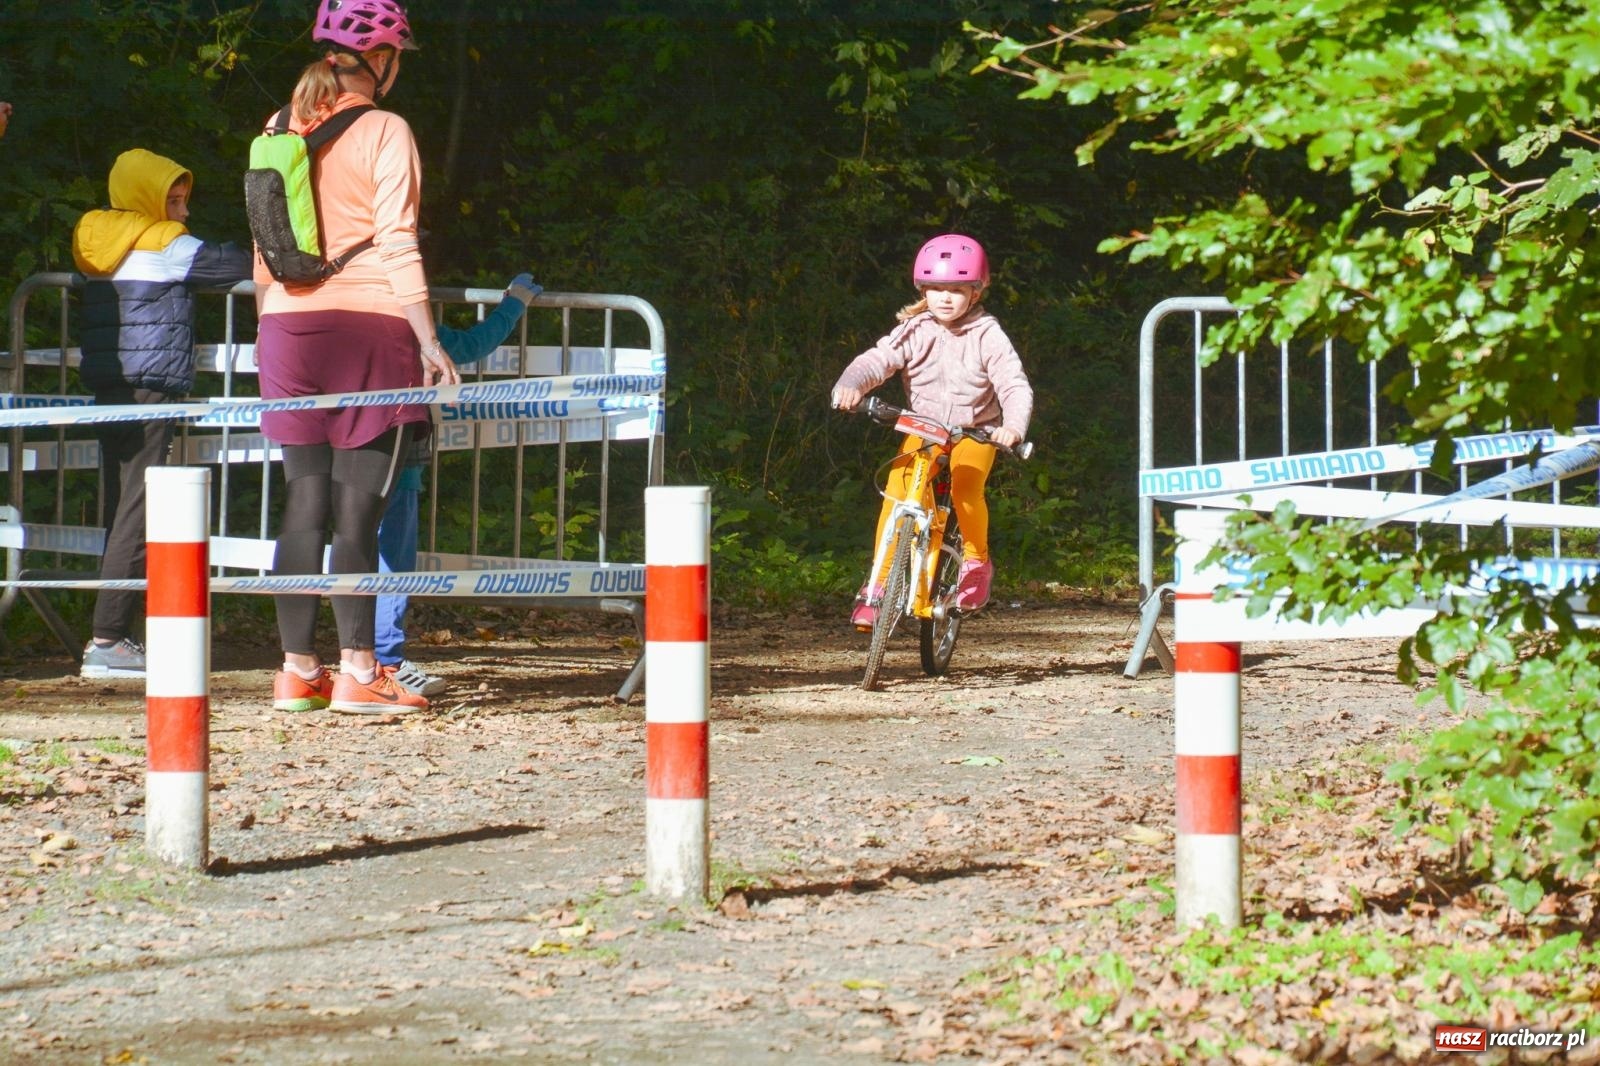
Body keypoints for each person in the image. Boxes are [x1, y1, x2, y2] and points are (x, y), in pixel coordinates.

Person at [255, 0, 460, 715]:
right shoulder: (385, 129)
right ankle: (359, 672)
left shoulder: (277, 125)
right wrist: (428, 340)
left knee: (302, 504)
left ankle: (295, 672)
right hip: (370, 330)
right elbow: (397, 240)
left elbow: (263, 249)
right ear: (382, 60)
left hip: (286, 330)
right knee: (357, 514)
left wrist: (272, 324)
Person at [72, 149, 253, 678]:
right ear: (147, 197)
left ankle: (111, 633)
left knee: (119, 505)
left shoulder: (93, 238)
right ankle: (107, 639)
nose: (183, 212)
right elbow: (239, 265)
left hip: (109, 383)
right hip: (151, 387)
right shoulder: (166, 244)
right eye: (173, 200)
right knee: (138, 509)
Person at [830, 233, 1033, 629]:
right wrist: (851, 384)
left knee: (965, 484)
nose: (945, 298)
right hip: (923, 427)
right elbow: (878, 359)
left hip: (976, 431)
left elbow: (1013, 383)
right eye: (936, 288)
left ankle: (975, 562)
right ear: (923, 289)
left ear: (976, 292)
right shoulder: (915, 328)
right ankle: (878, 585)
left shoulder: (987, 334)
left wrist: (1012, 426)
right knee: (898, 489)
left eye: (956, 289)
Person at [375, 273, 542, 697]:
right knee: (393, 556)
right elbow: (472, 346)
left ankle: (351, 659)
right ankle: (387, 661)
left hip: (343, 446)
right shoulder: (409, 317)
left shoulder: (345, 313)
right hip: (400, 450)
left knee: (356, 549)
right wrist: (514, 304)